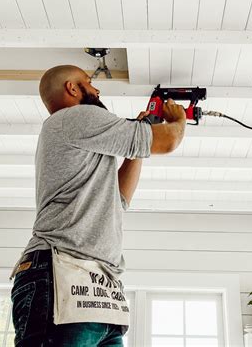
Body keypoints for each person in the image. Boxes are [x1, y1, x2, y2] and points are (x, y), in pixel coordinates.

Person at [10, 65, 186, 346]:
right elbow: (169, 141)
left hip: (100, 291)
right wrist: (178, 120)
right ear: (72, 88)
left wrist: (136, 146)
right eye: (89, 82)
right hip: (61, 274)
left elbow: (119, 201)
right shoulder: (75, 117)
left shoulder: (79, 136)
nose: (96, 89)